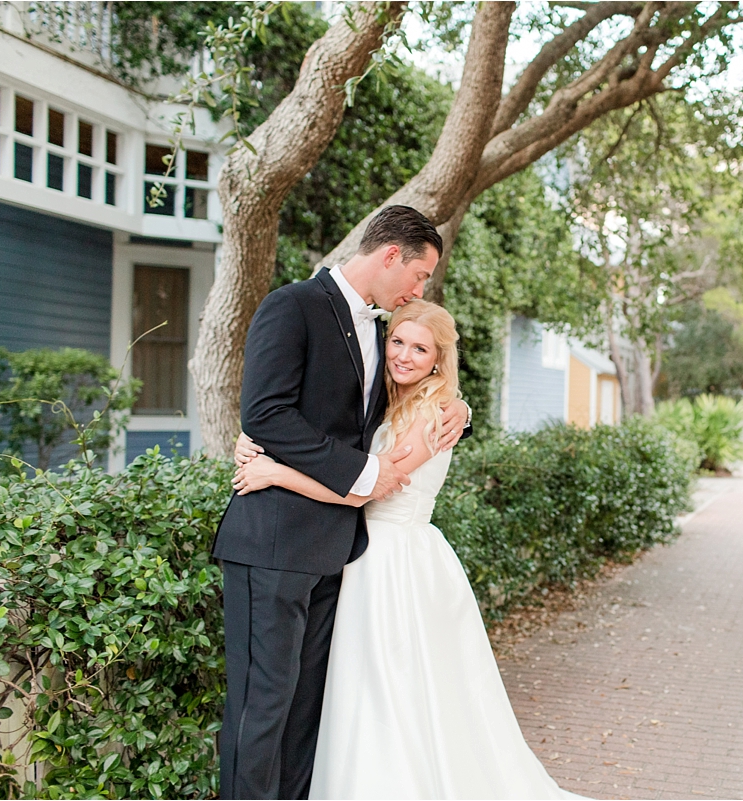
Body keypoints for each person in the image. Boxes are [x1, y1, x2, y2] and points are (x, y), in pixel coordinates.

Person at [233, 300, 578, 799]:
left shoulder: (436, 415)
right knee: (362, 687)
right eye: (398, 341)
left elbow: (366, 488)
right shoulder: (389, 403)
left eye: (421, 349)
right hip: (361, 555)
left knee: (395, 686)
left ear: (439, 359)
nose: (405, 355)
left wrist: (275, 473)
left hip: (396, 561)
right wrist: (254, 437)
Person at [212, 205, 471, 800]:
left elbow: (395, 407)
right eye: (420, 274)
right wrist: (365, 473)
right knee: (262, 706)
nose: (419, 288)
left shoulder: (379, 331)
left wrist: (462, 411)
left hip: (336, 551)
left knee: (306, 713)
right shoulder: (294, 306)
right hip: (274, 542)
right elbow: (265, 414)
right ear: (390, 257)